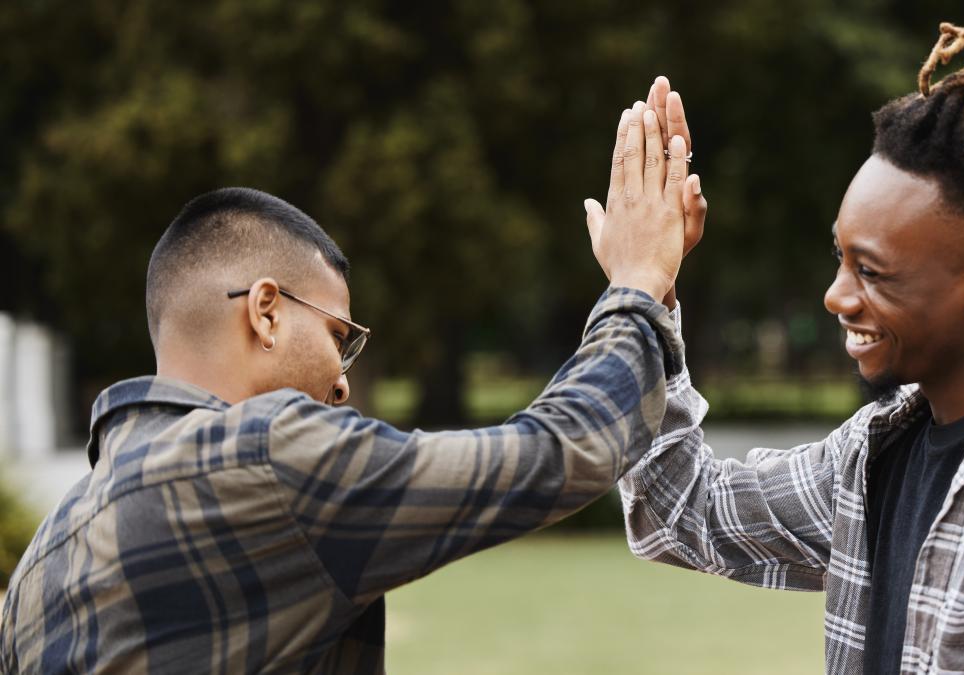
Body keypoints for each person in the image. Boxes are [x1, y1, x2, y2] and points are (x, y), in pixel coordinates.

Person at [0, 98, 700, 672]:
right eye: (340, 336)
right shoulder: (266, 458)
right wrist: (638, 282)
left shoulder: (41, 560)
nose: (342, 381)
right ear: (265, 310)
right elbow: (562, 451)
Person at [607, 3, 964, 673]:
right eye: (841, 258)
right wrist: (646, 291)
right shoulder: (880, 453)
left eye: (873, 271)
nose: (836, 295)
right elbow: (683, 512)